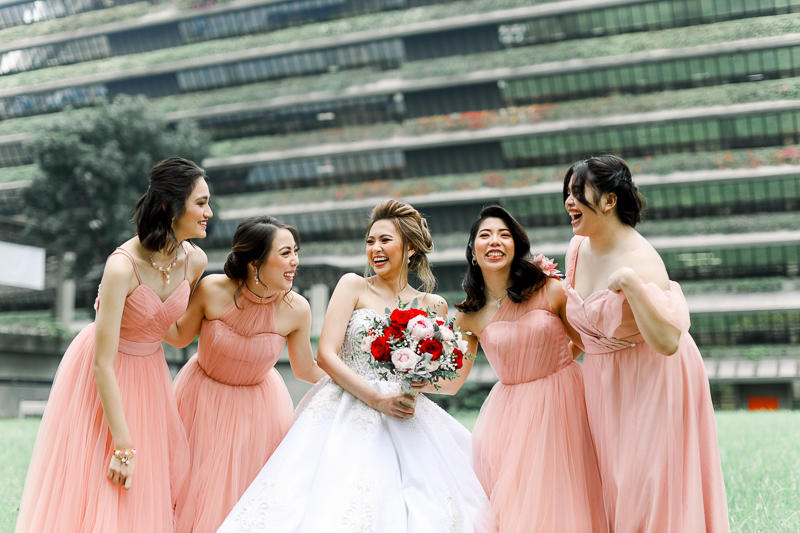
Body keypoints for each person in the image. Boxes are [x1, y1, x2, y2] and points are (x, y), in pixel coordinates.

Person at [217, 199, 494, 533]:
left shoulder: (432, 304)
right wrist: (377, 400)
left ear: (410, 248)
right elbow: (326, 355)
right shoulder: (353, 285)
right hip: (343, 410)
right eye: (370, 241)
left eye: (385, 240)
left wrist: (420, 380)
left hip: (405, 412)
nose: (375, 248)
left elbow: (443, 382)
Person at [15, 157, 211, 533]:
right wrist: (122, 446)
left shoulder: (196, 261)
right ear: (170, 206)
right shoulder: (122, 266)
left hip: (150, 373)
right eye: (201, 203)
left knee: (146, 486)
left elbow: (173, 332)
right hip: (105, 370)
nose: (209, 212)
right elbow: (102, 364)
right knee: (103, 479)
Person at [563, 155, 729, 532]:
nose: (569, 202)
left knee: (649, 484)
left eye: (578, 192)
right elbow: (581, 327)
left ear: (609, 200)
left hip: (653, 374)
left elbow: (668, 341)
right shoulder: (577, 248)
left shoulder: (642, 261)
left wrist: (632, 286)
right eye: (567, 193)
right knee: (615, 480)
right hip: (605, 380)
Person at [166, 215, 326, 533]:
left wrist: (359, 385)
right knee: (187, 496)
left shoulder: (297, 309)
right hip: (199, 402)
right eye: (285, 253)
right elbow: (179, 336)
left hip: (258, 414)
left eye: (295, 252)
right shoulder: (212, 289)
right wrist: (139, 308)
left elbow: (305, 369)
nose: (295, 261)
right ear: (255, 262)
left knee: (247, 503)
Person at [454, 205, 606, 533]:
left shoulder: (549, 289)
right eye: (485, 235)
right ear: (473, 250)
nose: (495, 241)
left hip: (565, 401)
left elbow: (584, 340)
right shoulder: (468, 315)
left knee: (568, 493)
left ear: (516, 245)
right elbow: (454, 380)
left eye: (504, 235)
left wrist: (554, 364)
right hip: (510, 417)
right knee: (522, 505)